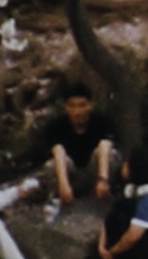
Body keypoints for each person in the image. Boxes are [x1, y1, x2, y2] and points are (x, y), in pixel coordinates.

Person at [32, 84, 114, 213]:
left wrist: (102, 179)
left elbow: (105, 146)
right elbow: (58, 152)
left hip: (94, 172)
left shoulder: (102, 122)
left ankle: (106, 199)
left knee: (111, 154)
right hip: (71, 174)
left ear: (90, 105)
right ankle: (58, 200)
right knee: (51, 165)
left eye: (82, 105)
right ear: (65, 107)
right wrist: (63, 185)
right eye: (72, 106)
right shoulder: (56, 126)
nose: (77, 111)